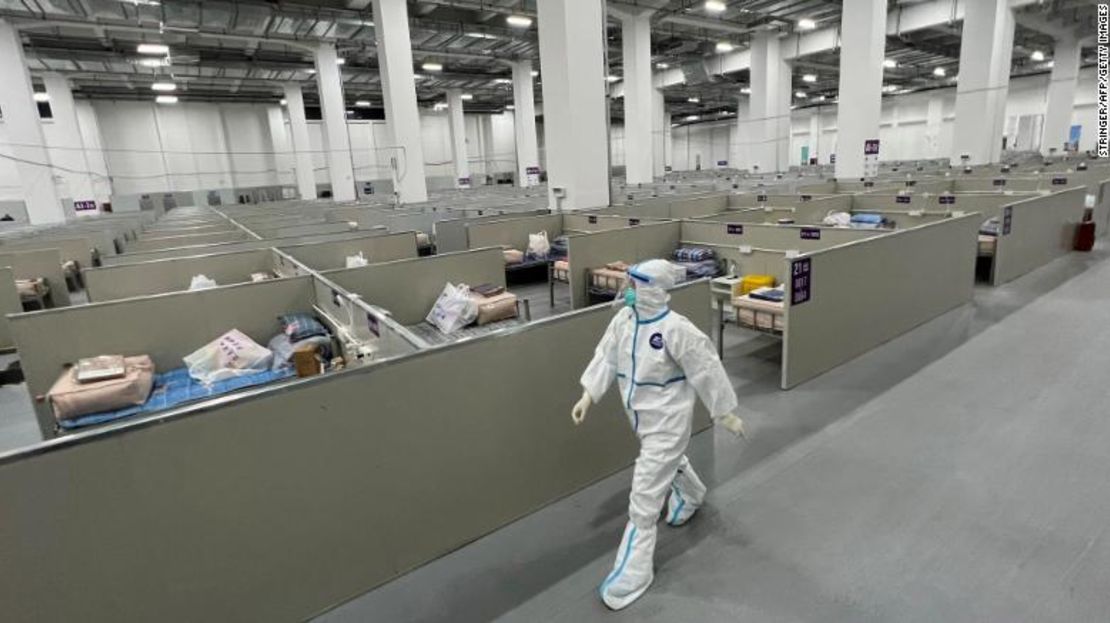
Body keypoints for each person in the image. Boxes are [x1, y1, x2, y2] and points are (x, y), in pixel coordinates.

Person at [571, 259, 746, 610]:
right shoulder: (623, 320)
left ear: (656, 288)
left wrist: (725, 412)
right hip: (641, 421)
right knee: (666, 464)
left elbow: (706, 368)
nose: (630, 290)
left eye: (637, 284)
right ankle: (692, 493)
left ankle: (633, 573)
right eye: (630, 283)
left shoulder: (675, 329)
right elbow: (606, 358)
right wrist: (588, 395)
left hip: (667, 425)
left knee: (644, 497)